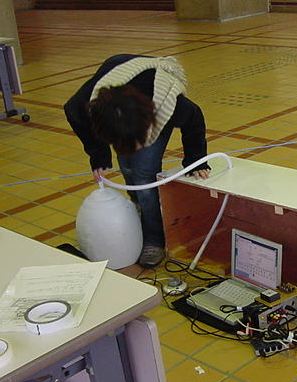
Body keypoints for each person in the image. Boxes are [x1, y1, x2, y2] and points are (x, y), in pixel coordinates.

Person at [64, 54, 210, 268]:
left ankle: (154, 239)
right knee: (127, 168)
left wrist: (196, 160)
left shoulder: (168, 102)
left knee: (143, 175)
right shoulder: (88, 104)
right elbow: (73, 113)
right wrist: (99, 155)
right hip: (120, 87)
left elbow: (194, 118)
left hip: (150, 99)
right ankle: (142, 212)